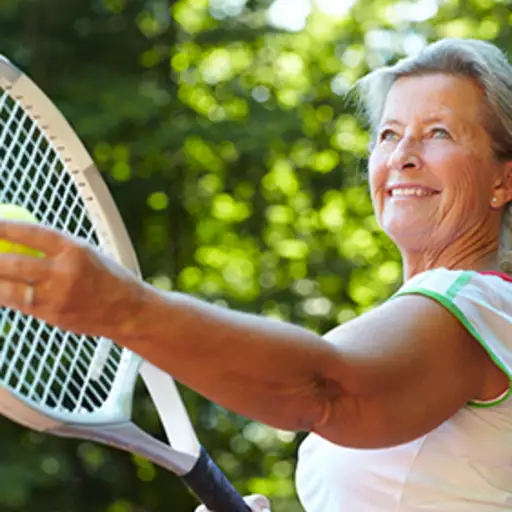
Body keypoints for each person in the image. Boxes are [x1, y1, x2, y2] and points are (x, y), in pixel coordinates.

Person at [0, 37, 511, 511]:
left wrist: (122, 308)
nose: (401, 157)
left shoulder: (478, 306)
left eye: (437, 133)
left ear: (503, 180)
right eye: (389, 134)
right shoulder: (449, 316)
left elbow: (322, 389)